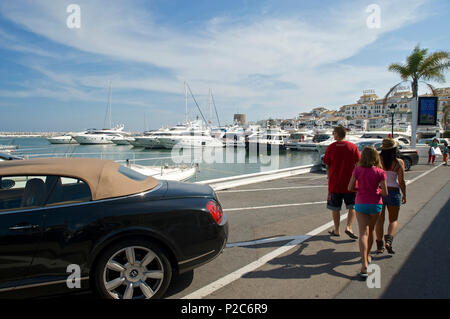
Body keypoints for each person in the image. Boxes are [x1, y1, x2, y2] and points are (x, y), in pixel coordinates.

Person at [348, 146, 388, 277]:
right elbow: (385, 192)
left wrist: (359, 190)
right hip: (375, 204)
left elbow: (350, 187)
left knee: (363, 233)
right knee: (371, 230)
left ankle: (364, 262)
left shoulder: (357, 170)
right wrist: (376, 191)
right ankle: (369, 254)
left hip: (361, 203)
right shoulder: (380, 171)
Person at [323, 125, 361, 239]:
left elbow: (327, 165)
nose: (333, 135)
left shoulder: (330, 147)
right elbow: (358, 164)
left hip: (335, 183)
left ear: (337, 134)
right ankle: (349, 226)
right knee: (352, 206)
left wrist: (329, 177)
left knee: (335, 208)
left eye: (333, 133)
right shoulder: (352, 147)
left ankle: (337, 229)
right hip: (351, 182)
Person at [375, 138, 406, 255]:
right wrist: (404, 194)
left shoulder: (378, 160)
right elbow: (401, 181)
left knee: (379, 220)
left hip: (380, 191)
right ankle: (389, 241)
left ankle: (379, 246)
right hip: (393, 192)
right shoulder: (399, 162)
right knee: (393, 220)